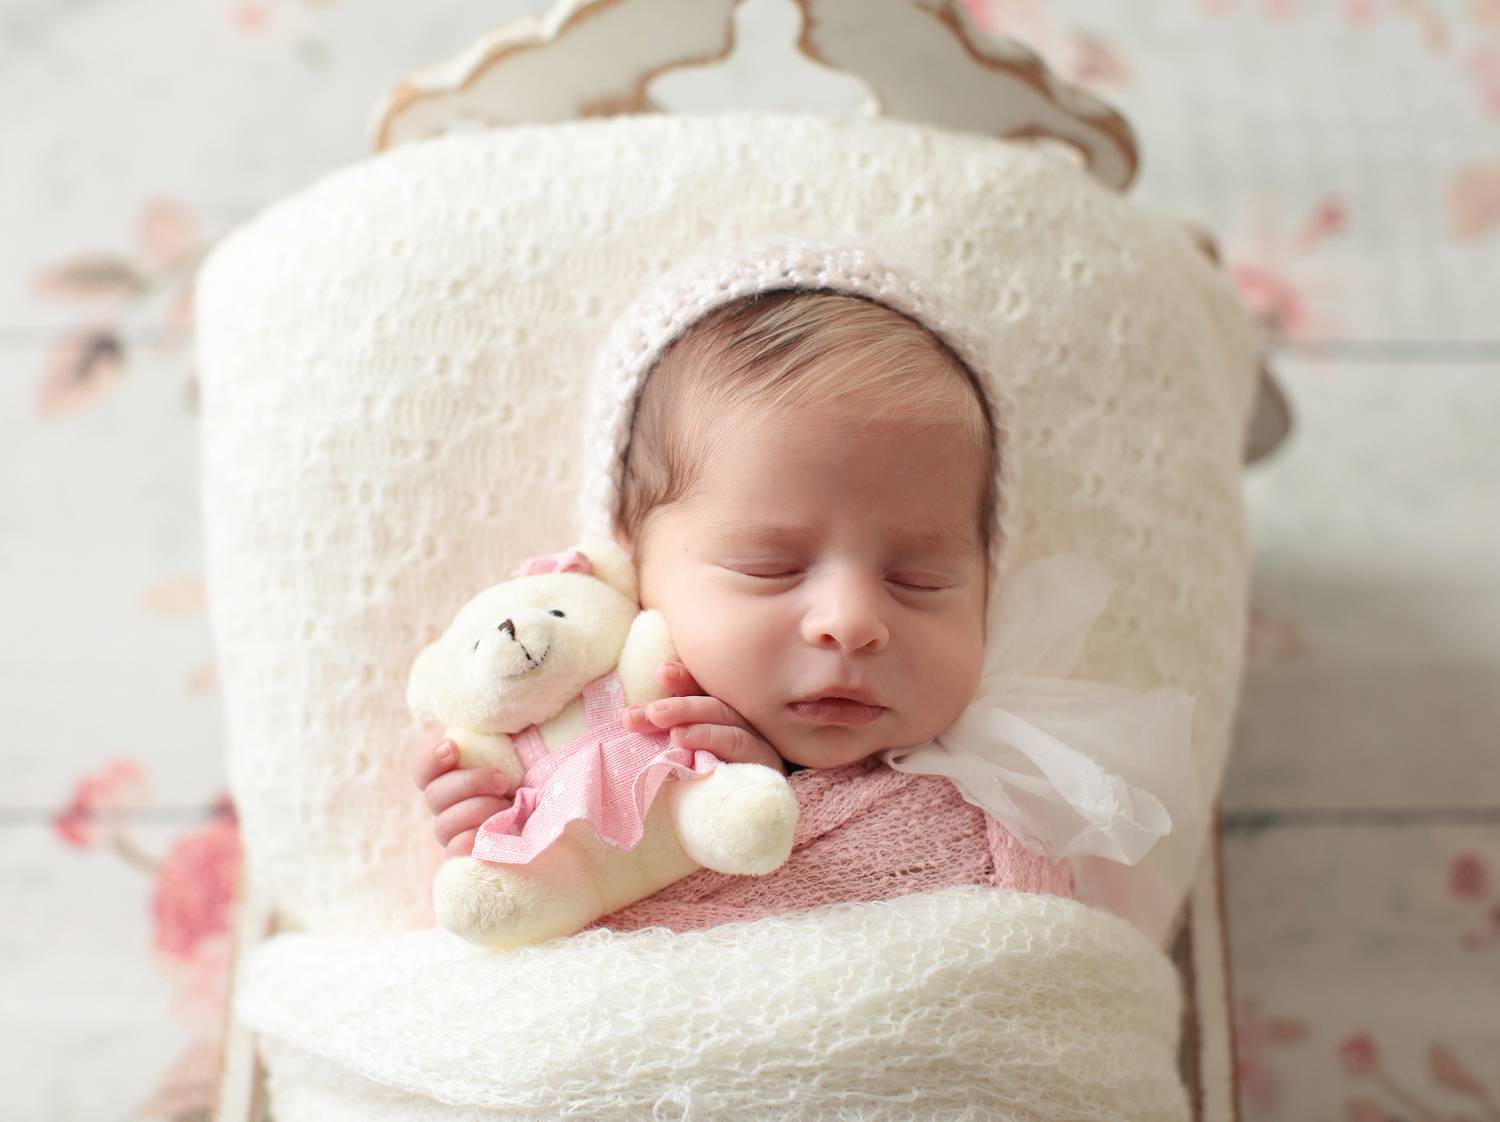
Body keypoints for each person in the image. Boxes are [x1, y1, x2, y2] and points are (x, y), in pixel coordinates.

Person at [413, 241, 1197, 937]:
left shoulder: (1000, 790)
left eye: (918, 579)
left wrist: (786, 795)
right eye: (772, 568)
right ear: (632, 561)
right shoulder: (589, 740)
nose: (851, 623)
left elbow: (1040, 965)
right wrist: (515, 832)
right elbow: (561, 957)